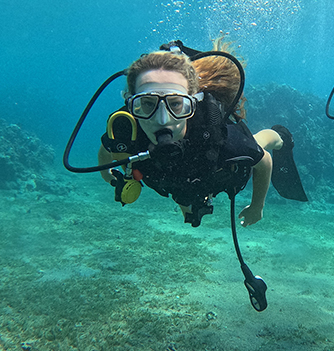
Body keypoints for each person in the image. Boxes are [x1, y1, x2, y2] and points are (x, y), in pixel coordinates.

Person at [97, 39, 308, 228]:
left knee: (259, 143)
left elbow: (264, 162)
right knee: (184, 190)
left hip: (214, 163)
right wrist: (109, 176)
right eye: (147, 103)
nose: (162, 120)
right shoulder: (126, 131)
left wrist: (257, 206)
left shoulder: (219, 137)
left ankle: (280, 135)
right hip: (185, 177)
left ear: (194, 103)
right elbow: (107, 153)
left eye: (176, 104)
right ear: (131, 104)